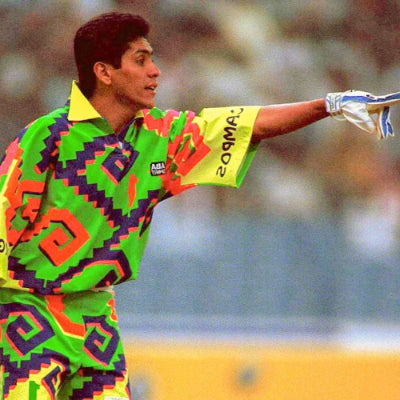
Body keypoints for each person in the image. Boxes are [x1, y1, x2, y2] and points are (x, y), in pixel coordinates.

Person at [0, 11, 398, 400]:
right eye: (140, 60)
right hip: (30, 309)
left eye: (152, 59)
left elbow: (250, 124)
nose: (155, 71)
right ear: (104, 72)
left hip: (95, 317)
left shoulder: (161, 135)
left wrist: (328, 105)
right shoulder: (48, 138)